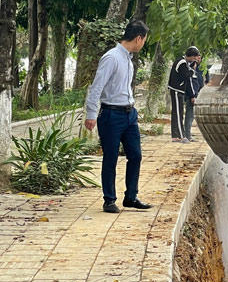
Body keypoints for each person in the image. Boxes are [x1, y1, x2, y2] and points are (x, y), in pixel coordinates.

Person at [85, 20, 152, 214]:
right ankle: (109, 200)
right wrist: (91, 114)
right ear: (138, 38)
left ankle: (131, 197)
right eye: (144, 40)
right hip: (111, 114)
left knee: (136, 155)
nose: (143, 44)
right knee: (111, 158)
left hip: (129, 114)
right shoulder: (111, 58)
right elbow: (97, 87)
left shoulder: (128, 59)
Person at [168, 46, 200, 143]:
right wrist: (192, 70)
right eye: (194, 58)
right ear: (190, 56)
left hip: (179, 90)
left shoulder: (184, 62)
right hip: (176, 89)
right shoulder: (181, 63)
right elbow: (186, 75)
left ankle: (175, 136)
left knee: (177, 113)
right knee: (178, 113)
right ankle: (181, 136)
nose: (194, 60)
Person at [183, 51, 204, 142]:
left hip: (195, 95)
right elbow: (191, 85)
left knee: (192, 116)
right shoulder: (191, 72)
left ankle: (188, 134)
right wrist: (192, 96)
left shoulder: (198, 71)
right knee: (189, 115)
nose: (198, 60)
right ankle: (187, 134)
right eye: (196, 58)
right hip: (191, 96)